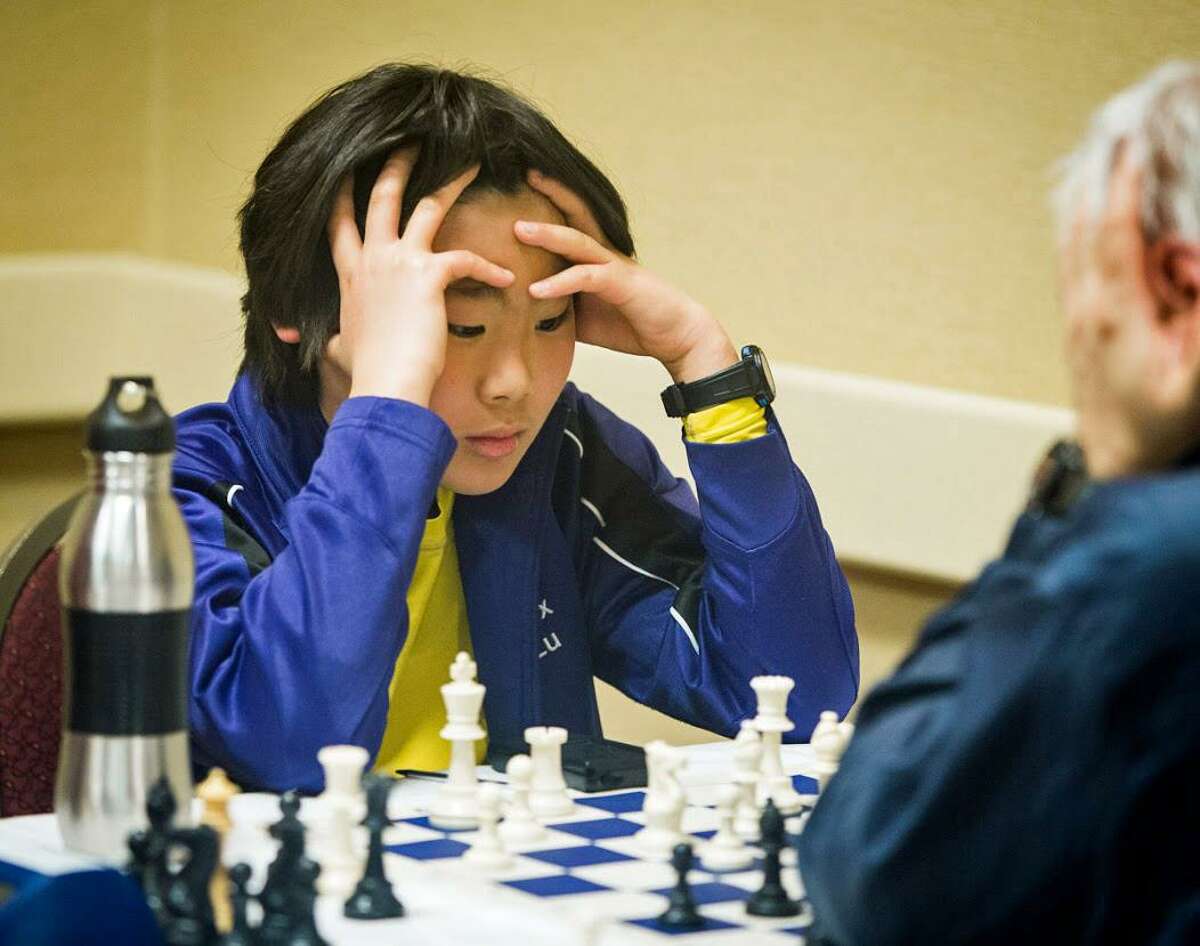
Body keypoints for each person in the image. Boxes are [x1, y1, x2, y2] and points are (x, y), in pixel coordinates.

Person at [172, 64, 859, 793]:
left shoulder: (560, 458)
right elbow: (286, 743)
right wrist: (389, 409)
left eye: (551, 320)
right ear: (297, 309)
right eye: (460, 325)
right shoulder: (188, 490)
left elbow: (791, 699)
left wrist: (708, 371)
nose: (514, 383)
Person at [798, 62, 1200, 945]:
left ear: (1175, 286)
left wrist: (1094, 476)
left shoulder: (1153, 564)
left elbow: (876, 869)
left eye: (1078, 283)